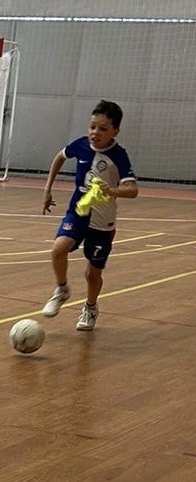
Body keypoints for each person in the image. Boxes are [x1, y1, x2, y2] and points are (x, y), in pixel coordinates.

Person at [40, 99, 139, 332]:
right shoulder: (81, 146)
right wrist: (48, 189)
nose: (95, 133)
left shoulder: (118, 156)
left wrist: (111, 190)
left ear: (115, 131)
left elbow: (133, 190)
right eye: (92, 127)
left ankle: (91, 307)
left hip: (103, 223)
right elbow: (60, 157)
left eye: (103, 129)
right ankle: (62, 289)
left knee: (92, 274)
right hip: (78, 212)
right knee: (58, 249)